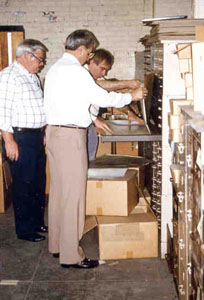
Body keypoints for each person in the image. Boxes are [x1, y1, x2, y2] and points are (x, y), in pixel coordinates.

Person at [44, 29, 147, 269]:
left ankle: (58, 245)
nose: (89, 58)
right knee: (74, 197)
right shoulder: (76, 72)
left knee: (59, 193)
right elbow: (103, 98)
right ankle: (71, 256)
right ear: (81, 49)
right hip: (71, 136)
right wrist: (131, 96)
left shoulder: (55, 69)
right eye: (89, 53)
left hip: (55, 132)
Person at [0, 39, 48, 242]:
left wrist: (43, 131)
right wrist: (9, 140)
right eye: (40, 59)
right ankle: (25, 230)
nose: (42, 63)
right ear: (27, 56)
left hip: (35, 136)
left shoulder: (33, 77)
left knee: (38, 182)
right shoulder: (8, 76)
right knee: (23, 184)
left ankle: (37, 222)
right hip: (19, 137)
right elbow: (2, 110)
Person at [86, 48, 145, 160]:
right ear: (92, 63)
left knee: (89, 161)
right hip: (81, 127)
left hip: (91, 125)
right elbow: (100, 85)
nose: (104, 73)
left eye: (106, 70)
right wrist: (128, 84)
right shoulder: (83, 76)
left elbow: (111, 96)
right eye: (102, 69)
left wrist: (129, 113)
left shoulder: (98, 79)